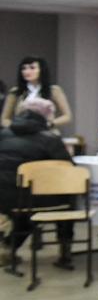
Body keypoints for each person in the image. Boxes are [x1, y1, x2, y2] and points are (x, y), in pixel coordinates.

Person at [0, 109, 74, 267]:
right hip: (34, 198)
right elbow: (68, 168)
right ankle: (65, 251)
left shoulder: (3, 135)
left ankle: (7, 247)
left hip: (3, 198)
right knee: (67, 202)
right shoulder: (50, 139)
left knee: (24, 212)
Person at [1, 57, 72, 131]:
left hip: (47, 132)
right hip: (21, 134)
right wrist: (16, 126)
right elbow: (4, 119)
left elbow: (67, 116)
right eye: (24, 68)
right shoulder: (15, 91)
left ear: (41, 70)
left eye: (32, 68)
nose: (26, 71)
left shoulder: (54, 90)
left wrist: (50, 124)